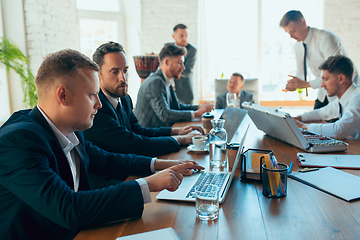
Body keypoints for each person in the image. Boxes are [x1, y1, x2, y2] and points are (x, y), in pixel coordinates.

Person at [0, 49, 204, 240]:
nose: (99, 103)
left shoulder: (70, 129)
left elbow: (107, 160)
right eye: (91, 95)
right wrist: (149, 184)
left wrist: (164, 166)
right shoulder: (18, 141)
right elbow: (68, 208)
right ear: (63, 96)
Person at [84, 42, 203, 157]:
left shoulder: (125, 99)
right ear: (98, 76)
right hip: (116, 174)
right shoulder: (96, 109)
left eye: (125, 70)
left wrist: (176, 131)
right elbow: (133, 144)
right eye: (115, 72)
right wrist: (181, 139)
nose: (123, 78)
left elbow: (140, 131)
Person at [280, 10, 358, 109]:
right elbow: (301, 72)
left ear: (303, 23)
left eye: (293, 31)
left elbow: (335, 73)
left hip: (344, 89)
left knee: (337, 121)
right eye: (288, 33)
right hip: (325, 90)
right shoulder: (298, 46)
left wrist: (305, 84)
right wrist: (294, 83)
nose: (291, 36)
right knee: (314, 117)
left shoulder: (326, 38)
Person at [134, 44, 213, 128]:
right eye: (180, 63)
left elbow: (177, 106)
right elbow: (164, 114)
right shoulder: (155, 82)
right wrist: (196, 114)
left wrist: (198, 107)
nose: (183, 68)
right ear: (167, 62)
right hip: (148, 137)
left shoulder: (165, 80)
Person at [293, 55, 360, 140]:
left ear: (341, 79)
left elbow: (339, 130)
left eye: (326, 79)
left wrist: (303, 126)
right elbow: (321, 113)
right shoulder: (344, 98)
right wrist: (297, 118)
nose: (322, 85)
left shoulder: (357, 98)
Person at [165, 23, 196, 104]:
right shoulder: (167, 47)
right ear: (173, 36)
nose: (184, 38)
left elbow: (187, 71)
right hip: (168, 90)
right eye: (181, 36)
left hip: (185, 93)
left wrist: (171, 68)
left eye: (186, 35)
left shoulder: (192, 50)